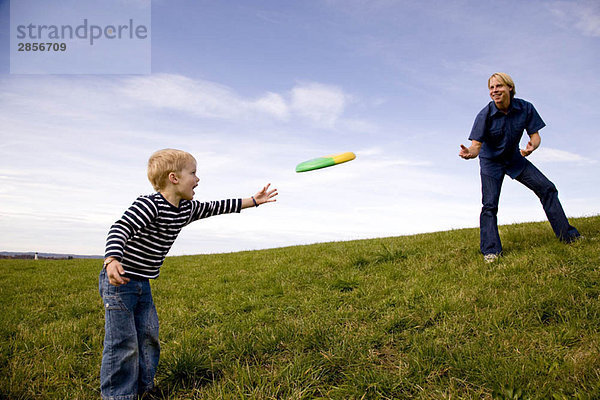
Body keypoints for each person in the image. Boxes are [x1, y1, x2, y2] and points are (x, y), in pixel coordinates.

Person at [99, 148, 278, 399]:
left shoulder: (185, 209)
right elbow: (121, 227)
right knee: (123, 343)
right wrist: (112, 258)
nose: (197, 179)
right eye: (193, 173)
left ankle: (144, 389)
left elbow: (218, 206)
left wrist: (254, 200)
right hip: (119, 282)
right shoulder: (149, 204)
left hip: (143, 283)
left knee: (148, 337)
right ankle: (119, 396)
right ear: (174, 178)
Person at [459, 72, 580, 262]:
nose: (494, 91)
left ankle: (568, 236)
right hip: (491, 163)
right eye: (491, 88)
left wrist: (533, 145)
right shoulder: (485, 115)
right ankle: (491, 251)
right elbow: (476, 145)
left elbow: (535, 135)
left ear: (510, 88)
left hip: (515, 159)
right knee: (489, 205)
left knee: (547, 188)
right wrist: (470, 153)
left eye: (498, 86)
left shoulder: (525, 108)